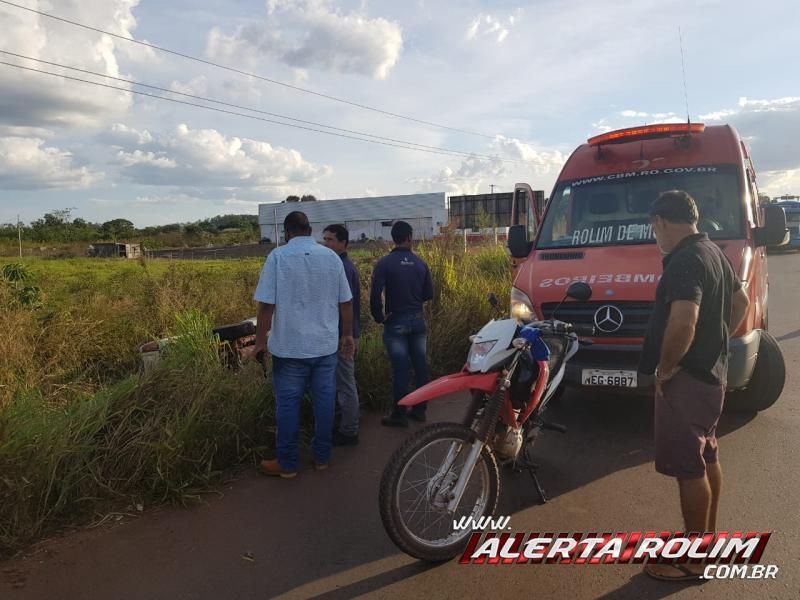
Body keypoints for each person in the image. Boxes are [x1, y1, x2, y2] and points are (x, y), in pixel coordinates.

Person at [638, 190, 749, 581]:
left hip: (686, 379)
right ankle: (705, 539)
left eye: (654, 229)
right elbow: (742, 303)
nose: (656, 237)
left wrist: (667, 368)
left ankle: (694, 560)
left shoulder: (684, 260)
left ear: (662, 222)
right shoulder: (715, 253)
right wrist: (716, 341)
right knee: (707, 457)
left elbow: (683, 321)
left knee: (689, 467)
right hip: (712, 376)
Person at [249, 211, 355, 478]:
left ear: (287, 233)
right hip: (324, 346)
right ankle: (321, 457)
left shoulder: (278, 256)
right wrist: (347, 335)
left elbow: (266, 306)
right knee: (325, 402)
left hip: (289, 348)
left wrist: (260, 342)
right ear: (310, 230)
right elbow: (346, 302)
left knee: (287, 405)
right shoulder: (331, 257)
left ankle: (287, 463)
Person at [370, 221, 434, 427]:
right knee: (420, 366)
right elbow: (428, 294)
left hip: (395, 320)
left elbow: (375, 295)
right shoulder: (420, 263)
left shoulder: (384, 263)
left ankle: (398, 414)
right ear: (409, 237)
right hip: (417, 319)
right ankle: (420, 410)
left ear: (393, 238)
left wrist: (379, 316)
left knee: (401, 369)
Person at [322, 224, 361, 446]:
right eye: (324, 239)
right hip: (342, 333)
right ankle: (347, 423)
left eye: (331, 240)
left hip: (342, 335)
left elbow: (344, 305)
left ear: (343, 243)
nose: (326, 244)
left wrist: (346, 335)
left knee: (346, 383)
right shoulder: (340, 265)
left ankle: (349, 430)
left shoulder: (343, 268)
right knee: (343, 382)